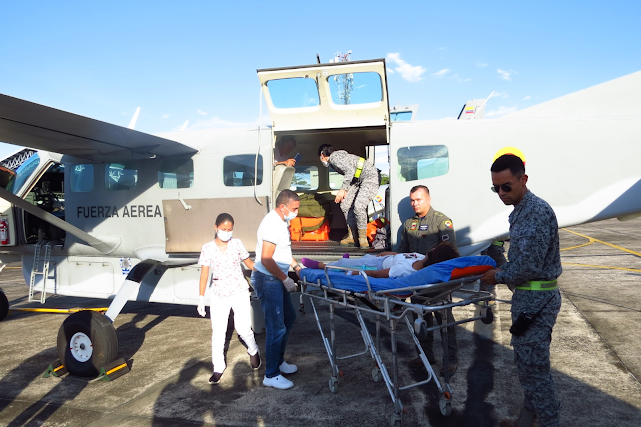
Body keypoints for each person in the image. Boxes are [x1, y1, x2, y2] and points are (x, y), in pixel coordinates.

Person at [480, 154, 562, 427]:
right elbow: (521, 261)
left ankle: (549, 422)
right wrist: (497, 253)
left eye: (506, 186)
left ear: (523, 179)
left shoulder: (535, 212)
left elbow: (528, 267)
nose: (501, 193)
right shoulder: (521, 210)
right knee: (528, 366)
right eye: (496, 188)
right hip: (529, 299)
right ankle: (527, 421)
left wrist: (497, 275)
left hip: (536, 301)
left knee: (536, 372)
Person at [197, 213, 260, 385]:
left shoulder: (237, 243)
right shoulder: (207, 248)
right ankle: (218, 367)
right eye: (223, 229)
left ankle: (253, 350)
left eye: (230, 229)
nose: (226, 232)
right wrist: (201, 297)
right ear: (215, 228)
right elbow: (204, 274)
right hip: (218, 293)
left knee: (243, 329)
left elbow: (249, 263)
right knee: (218, 332)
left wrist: (265, 272)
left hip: (239, 290)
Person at [251, 189, 303, 390]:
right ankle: (271, 374)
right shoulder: (273, 224)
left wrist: (296, 267)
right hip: (269, 279)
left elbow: (282, 252)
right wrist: (284, 279)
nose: (296, 213)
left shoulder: (282, 221)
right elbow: (266, 258)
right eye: (294, 209)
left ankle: (278, 361)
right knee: (276, 328)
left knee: (288, 318)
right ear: (283, 207)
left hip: (275, 278)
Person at [318, 144, 380, 249]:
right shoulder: (336, 158)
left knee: (359, 206)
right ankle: (352, 235)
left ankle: (362, 238)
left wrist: (343, 189)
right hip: (358, 180)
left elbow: (349, 171)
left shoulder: (334, 158)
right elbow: (352, 172)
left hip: (370, 177)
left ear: (322, 155)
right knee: (345, 204)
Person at [397, 185, 456, 254]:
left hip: (433, 263)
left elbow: (450, 250)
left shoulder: (441, 220)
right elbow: (402, 250)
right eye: (412, 200)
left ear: (428, 200)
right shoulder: (408, 223)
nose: (415, 204)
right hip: (413, 263)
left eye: (418, 200)